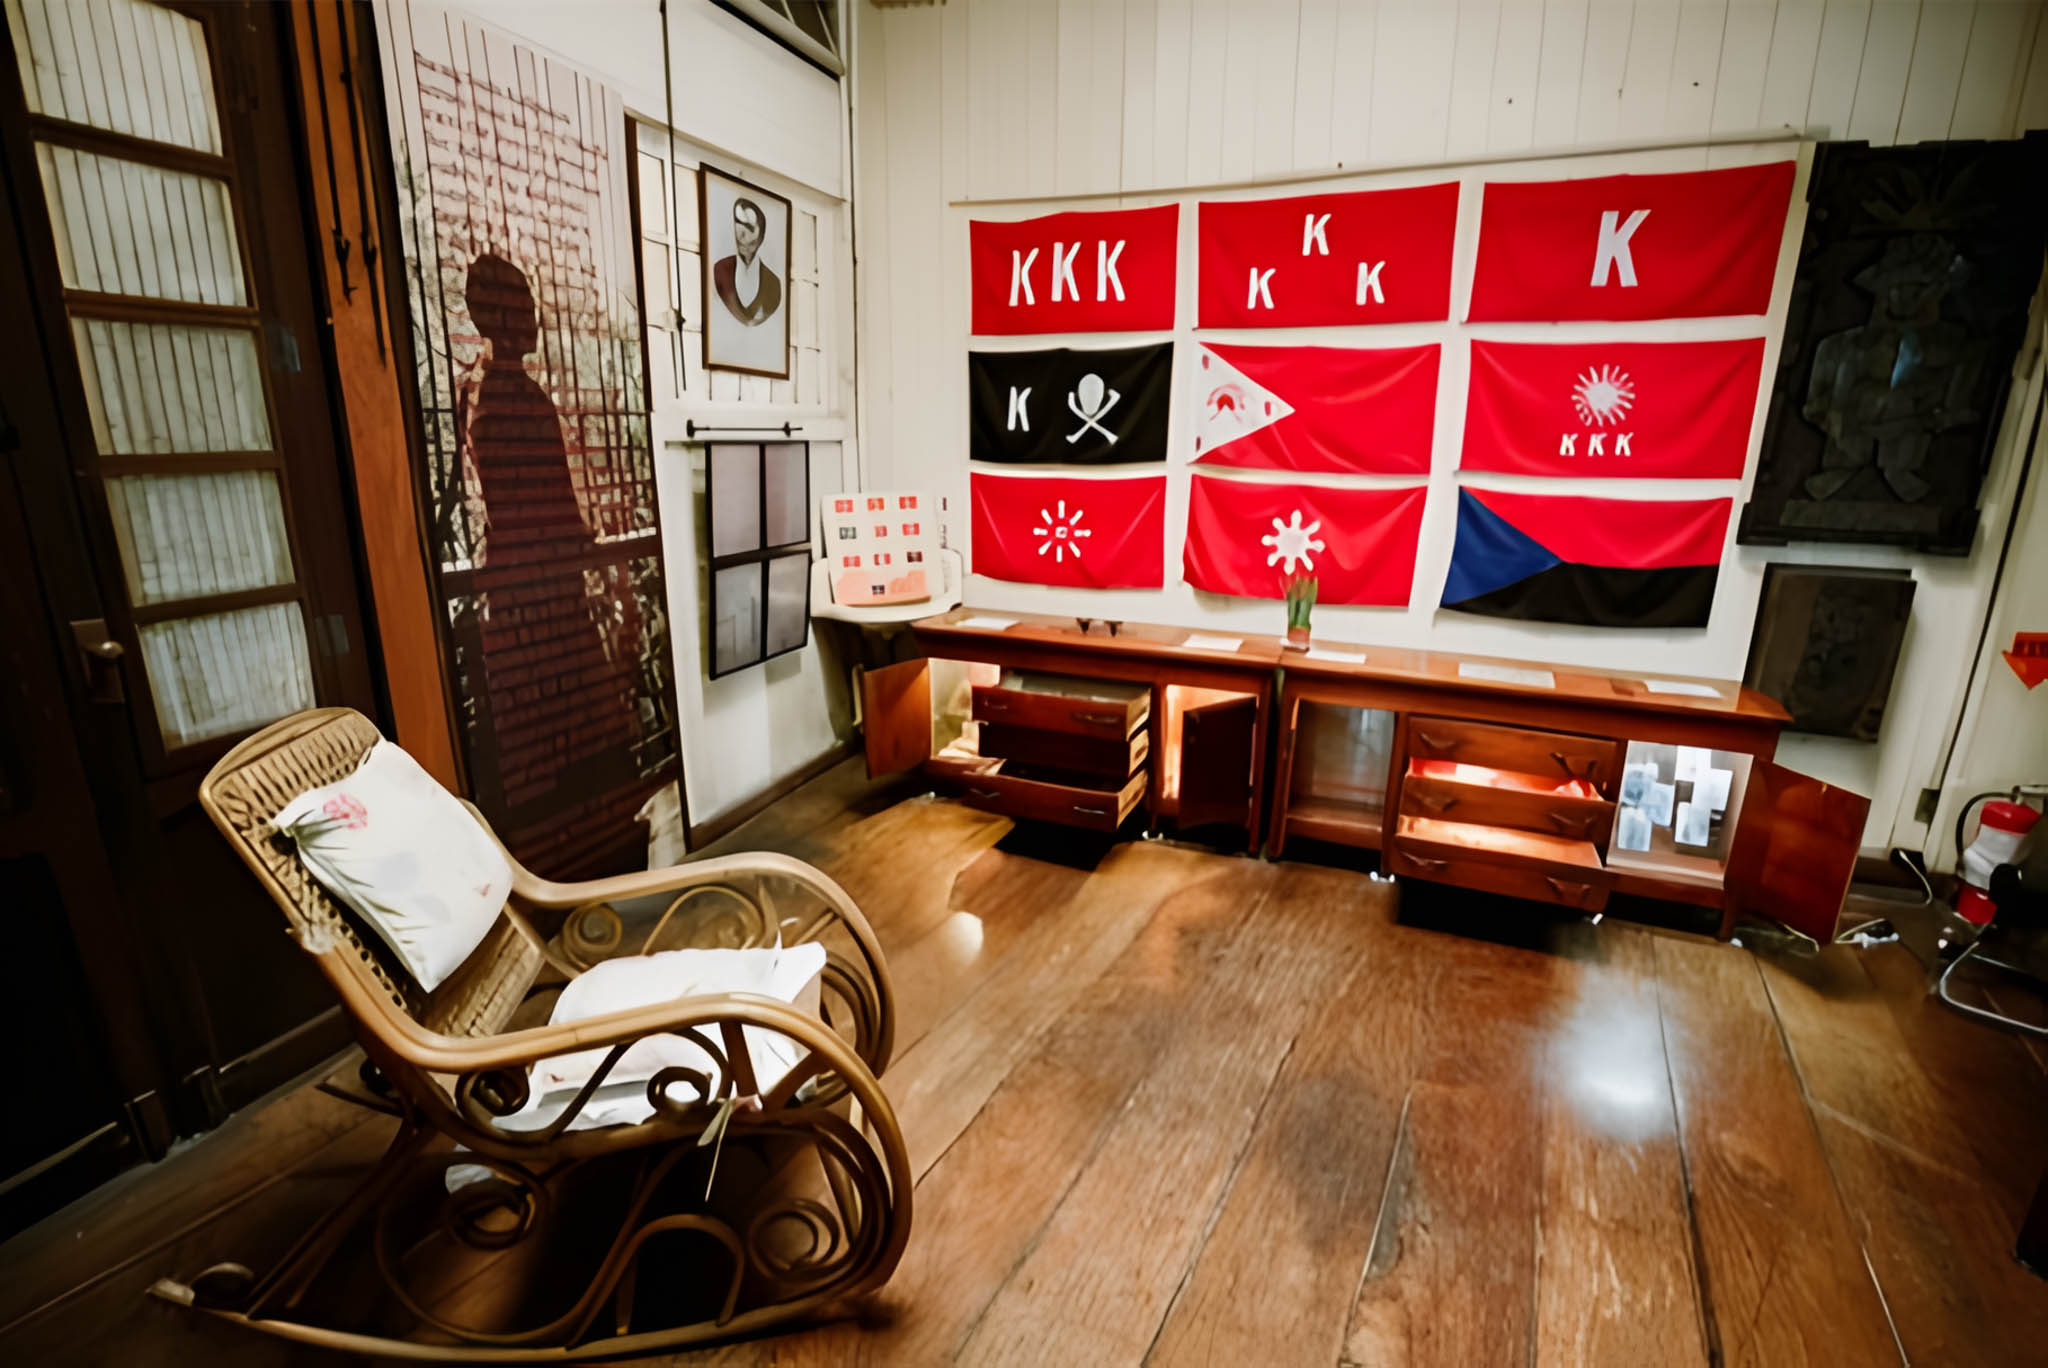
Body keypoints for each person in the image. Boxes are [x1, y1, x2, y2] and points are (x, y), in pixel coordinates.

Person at [456, 252, 636, 811]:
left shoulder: (490, 394)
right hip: (539, 591)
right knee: (572, 728)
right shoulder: (512, 399)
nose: (534, 319)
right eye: (524, 307)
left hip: (529, 583)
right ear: (497, 317)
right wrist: (584, 543)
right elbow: (543, 502)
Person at [711, 195, 782, 326]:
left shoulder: (774, 284)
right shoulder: (720, 269)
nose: (741, 234)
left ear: (760, 234)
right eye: (737, 223)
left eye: (749, 227)